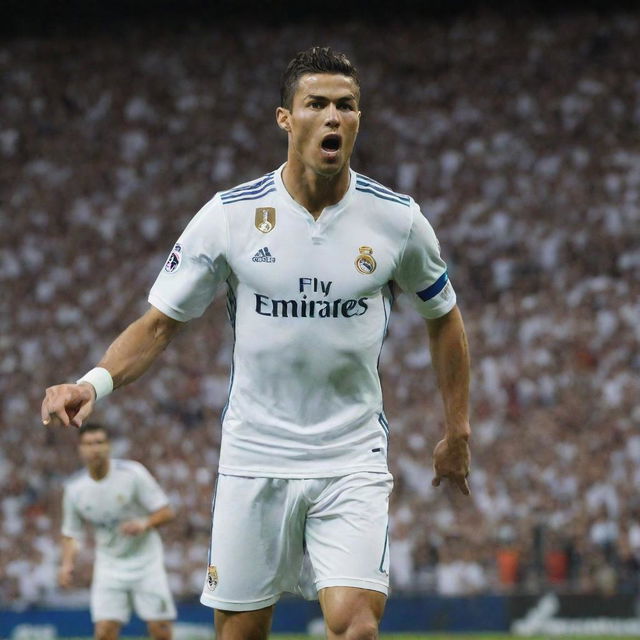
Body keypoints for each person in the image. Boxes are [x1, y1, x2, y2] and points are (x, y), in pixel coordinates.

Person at [42, 46, 471, 640]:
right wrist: (91, 383)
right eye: (315, 104)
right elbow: (159, 324)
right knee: (240, 634)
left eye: (345, 106)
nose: (332, 117)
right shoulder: (230, 217)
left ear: (358, 119)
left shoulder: (397, 220)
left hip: (350, 458)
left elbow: (444, 318)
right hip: (254, 456)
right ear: (285, 119)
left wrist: (458, 429)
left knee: (358, 628)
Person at [59, 423, 176, 640]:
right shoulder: (75, 489)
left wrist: (144, 524)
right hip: (109, 565)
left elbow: (166, 511)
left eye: (99, 442)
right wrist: (67, 564)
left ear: (109, 446)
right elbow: (71, 532)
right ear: (80, 449)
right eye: (88, 444)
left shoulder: (133, 473)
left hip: (146, 561)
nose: (95, 448)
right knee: (104, 631)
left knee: (161, 630)